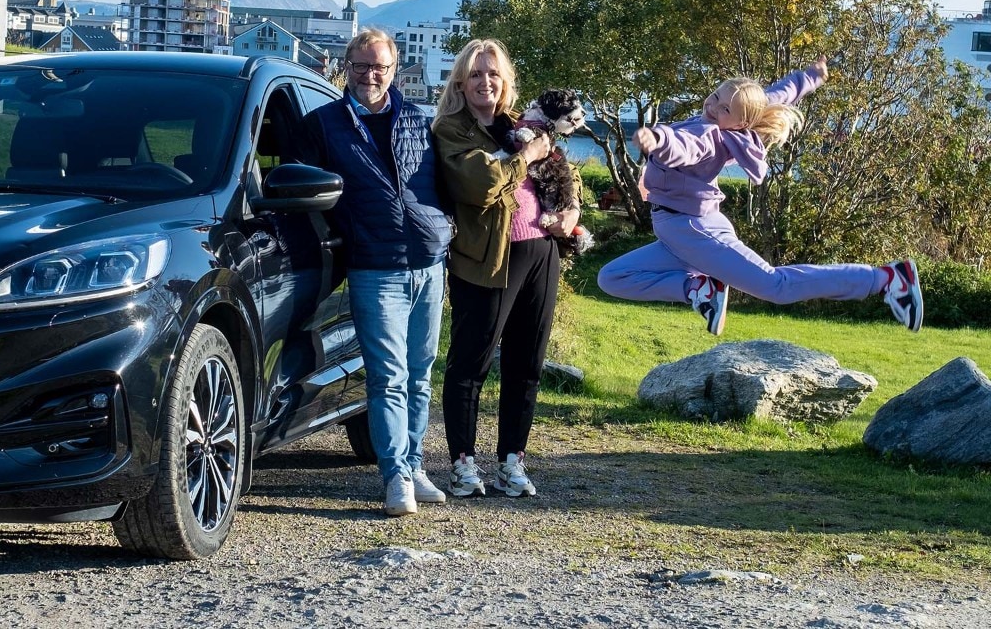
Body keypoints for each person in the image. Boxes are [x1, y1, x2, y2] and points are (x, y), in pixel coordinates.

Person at [597, 56, 924, 335]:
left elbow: (686, 147)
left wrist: (658, 139)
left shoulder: (711, 136)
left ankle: (885, 279)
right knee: (613, 278)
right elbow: (780, 94)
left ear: (740, 123)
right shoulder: (730, 113)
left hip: (694, 232)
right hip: (676, 235)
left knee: (775, 286)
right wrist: (811, 76)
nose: (713, 107)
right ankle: (699, 288)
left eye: (724, 108)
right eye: (715, 96)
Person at [298, 29, 453, 517]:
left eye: (379, 67)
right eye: (361, 67)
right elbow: (307, 193)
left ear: (394, 69)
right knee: (388, 375)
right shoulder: (322, 124)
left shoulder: (417, 119)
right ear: (347, 67)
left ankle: (414, 463)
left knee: (421, 372)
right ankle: (395, 477)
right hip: (373, 265)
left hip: (428, 261)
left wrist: (442, 227)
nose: (370, 76)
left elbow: (443, 180)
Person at [431, 39, 576, 499]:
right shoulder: (450, 130)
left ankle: (512, 461)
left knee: (526, 365)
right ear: (461, 81)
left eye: (493, 74)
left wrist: (572, 212)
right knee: (470, 364)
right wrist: (525, 158)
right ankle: (461, 464)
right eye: (476, 74)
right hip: (488, 260)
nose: (485, 82)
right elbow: (481, 186)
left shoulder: (518, 125)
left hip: (541, 253)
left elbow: (563, 172)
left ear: (506, 82)